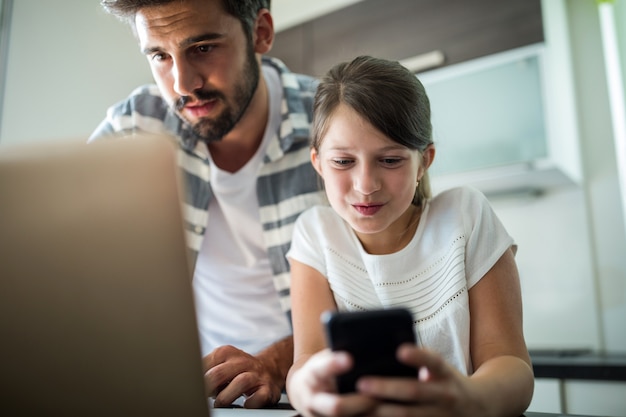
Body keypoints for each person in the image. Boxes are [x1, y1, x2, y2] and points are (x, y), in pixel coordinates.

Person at [89, 0, 326, 408]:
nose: (182, 83)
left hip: (307, 390)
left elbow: (382, 287)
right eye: (160, 55)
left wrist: (273, 363)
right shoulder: (135, 127)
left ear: (261, 33)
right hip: (192, 394)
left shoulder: (335, 126)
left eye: (202, 48)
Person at [285, 55, 535, 417]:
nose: (365, 185)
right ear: (318, 163)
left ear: (424, 161)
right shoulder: (314, 233)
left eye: (390, 160)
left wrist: (468, 398)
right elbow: (305, 362)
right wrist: (304, 392)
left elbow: (511, 365)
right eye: (343, 162)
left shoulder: (466, 216)